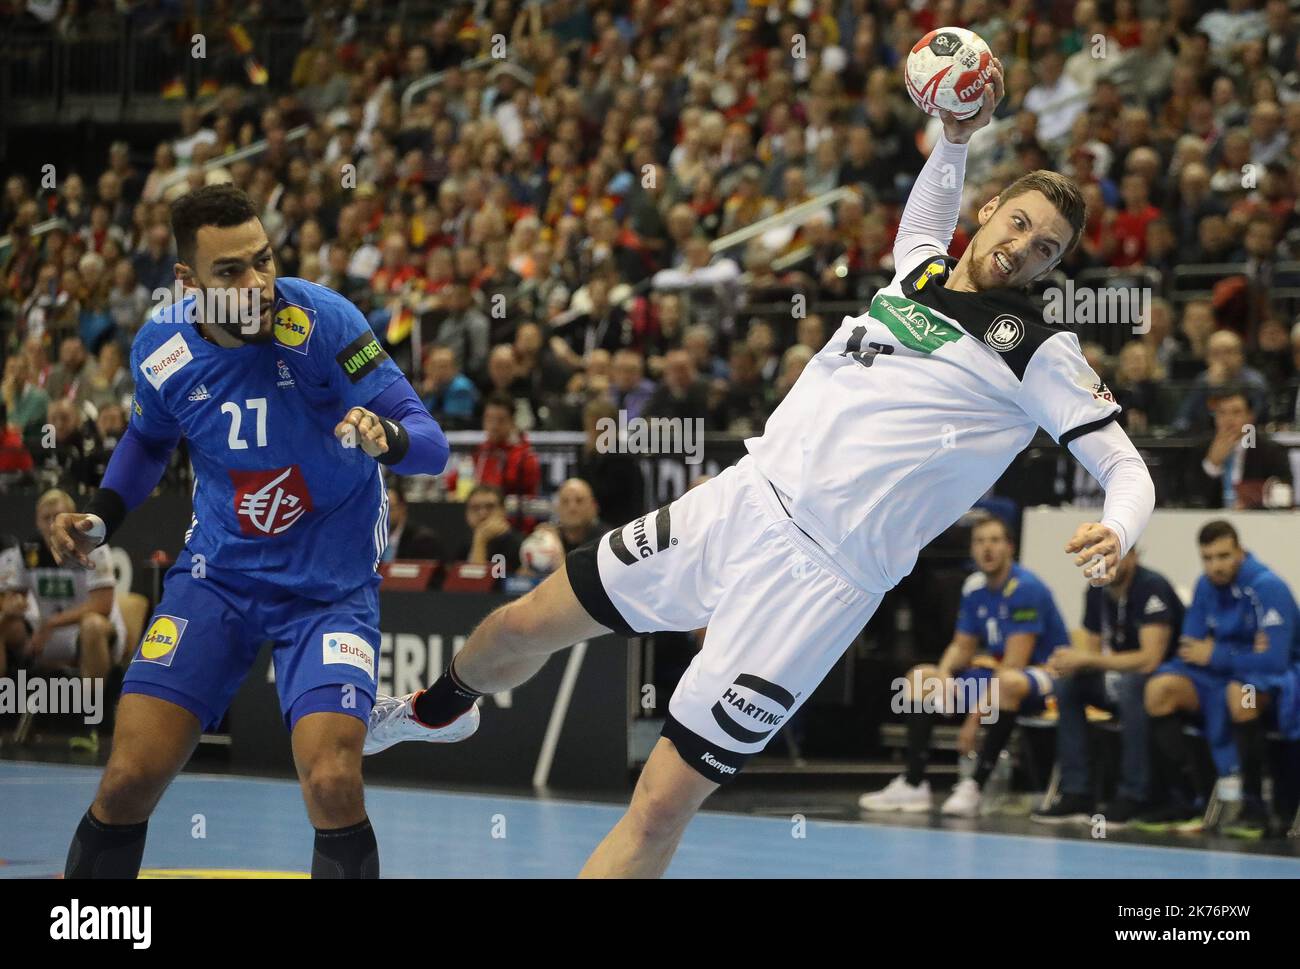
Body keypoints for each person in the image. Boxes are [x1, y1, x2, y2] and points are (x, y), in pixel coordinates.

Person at [366, 65, 1154, 877]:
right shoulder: (915, 276)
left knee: (661, 803)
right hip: (737, 503)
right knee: (522, 624)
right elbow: (922, 226)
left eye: (1045, 248)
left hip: (820, 585)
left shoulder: (1036, 347)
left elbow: (1127, 465)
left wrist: (1118, 525)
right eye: (1017, 223)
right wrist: (953, 140)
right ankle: (439, 709)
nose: (1022, 248)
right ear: (988, 211)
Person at [49, 184, 448, 879]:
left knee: (331, 783)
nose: (259, 283)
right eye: (231, 271)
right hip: (220, 574)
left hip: (328, 583)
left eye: (264, 261)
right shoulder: (161, 349)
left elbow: (431, 443)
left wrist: (384, 435)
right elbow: (147, 441)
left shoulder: (323, 323)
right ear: (188, 282)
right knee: (126, 780)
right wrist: (103, 515)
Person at [859, 513, 1071, 818]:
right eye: (980, 542)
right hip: (998, 675)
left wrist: (973, 721)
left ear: (1010, 547)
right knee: (921, 677)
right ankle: (914, 783)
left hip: (1046, 678)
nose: (988, 549)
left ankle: (974, 786)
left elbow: (1014, 663)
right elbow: (962, 645)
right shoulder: (974, 586)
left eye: (995, 541)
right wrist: (944, 675)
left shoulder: (1026, 588)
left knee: (1008, 683)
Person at [1137, 521, 1300, 837]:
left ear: (1240, 551)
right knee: (1159, 690)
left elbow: (1274, 660)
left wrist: (1216, 653)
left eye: (1224, 556)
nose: (1216, 566)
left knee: (1242, 696)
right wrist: (1240, 651)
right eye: (1208, 558)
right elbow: (1188, 648)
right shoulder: (1204, 586)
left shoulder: (1268, 587)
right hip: (1218, 677)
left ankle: (1253, 808)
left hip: (1275, 681)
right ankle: (1186, 800)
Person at [1031, 549, 1183, 825]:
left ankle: (1133, 794)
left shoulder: (1151, 586)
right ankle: (1076, 792)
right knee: (1067, 685)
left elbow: (1150, 659)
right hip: (1121, 677)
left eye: (1116, 555)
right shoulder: (1095, 589)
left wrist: (1088, 659)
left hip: (1163, 681)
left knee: (1131, 686)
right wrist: (1070, 662)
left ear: (1134, 556)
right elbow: (1091, 653)